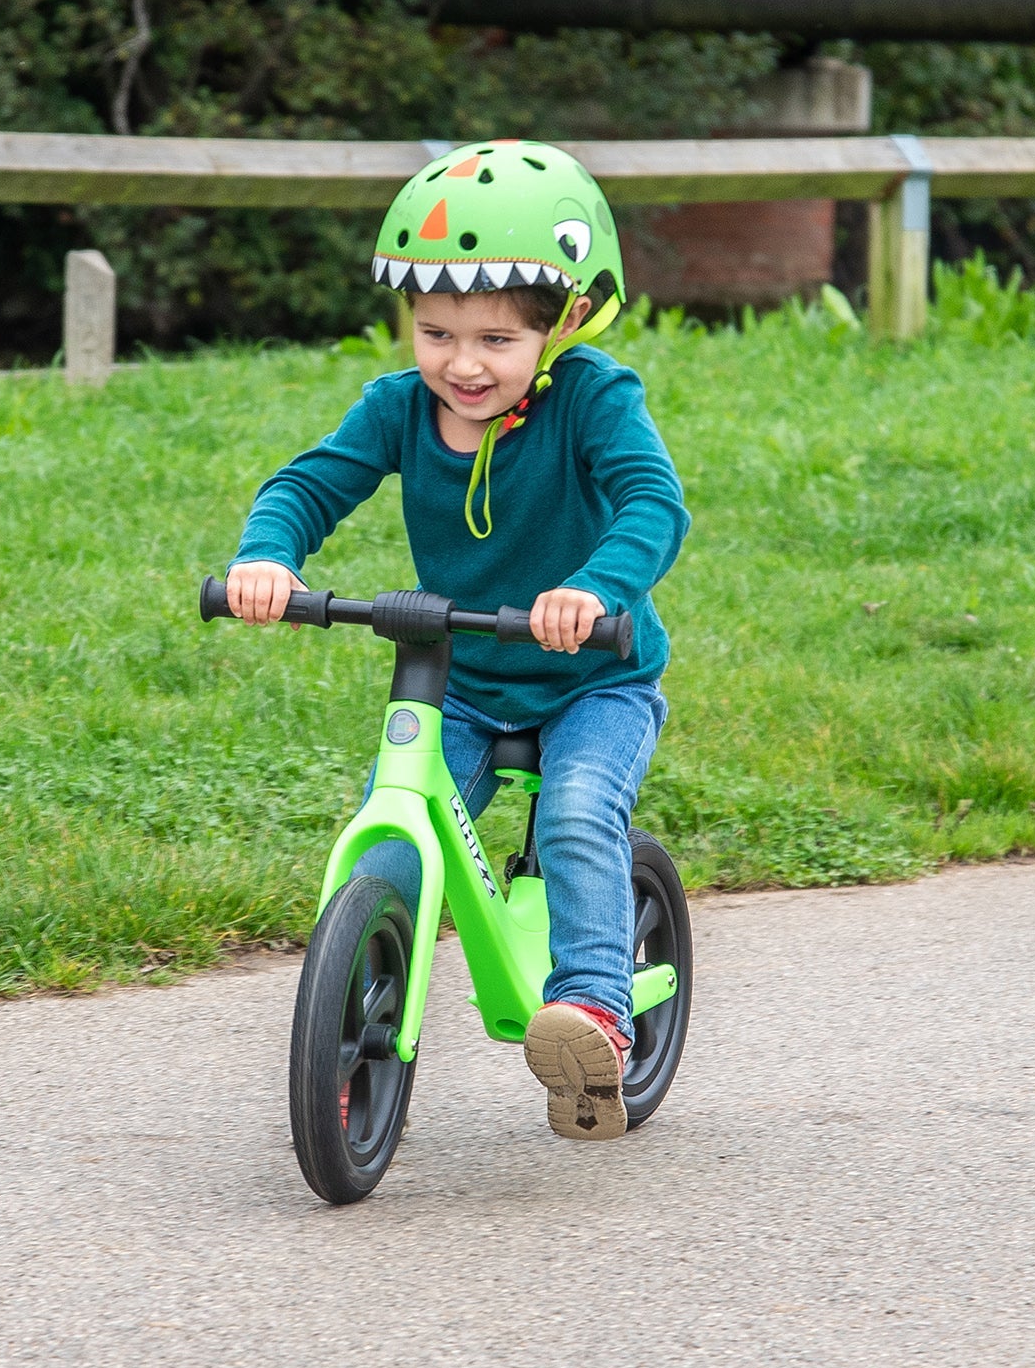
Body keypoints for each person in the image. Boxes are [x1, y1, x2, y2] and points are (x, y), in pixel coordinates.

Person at [227, 139, 689, 1139]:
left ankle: (597, 1015)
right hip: (464, 676)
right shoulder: (398, 409)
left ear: (562, 321)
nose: (462, 363)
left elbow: (653, 505)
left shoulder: (593, 401)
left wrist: (592, 587)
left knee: (572, 816)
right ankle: (347, 1043)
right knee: (389, 849)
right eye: (436, 332)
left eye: (493, 339)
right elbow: (308, 486)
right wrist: (270, 559)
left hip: (592, 676)